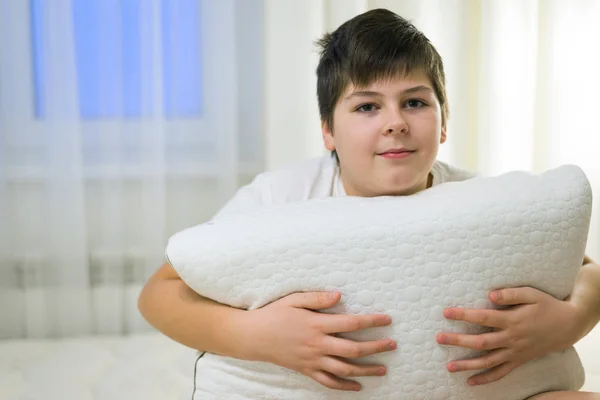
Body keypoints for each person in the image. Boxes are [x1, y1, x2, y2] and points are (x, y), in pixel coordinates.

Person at [138, 8, 600, 398]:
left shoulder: (477, 200)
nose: (395, 122)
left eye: (415, 102)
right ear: (328, 131)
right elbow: (159, 294)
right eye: (366, 107)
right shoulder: (279, 199)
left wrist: (572, 319)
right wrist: (256, 335)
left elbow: (585, 269)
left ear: (443, 123)